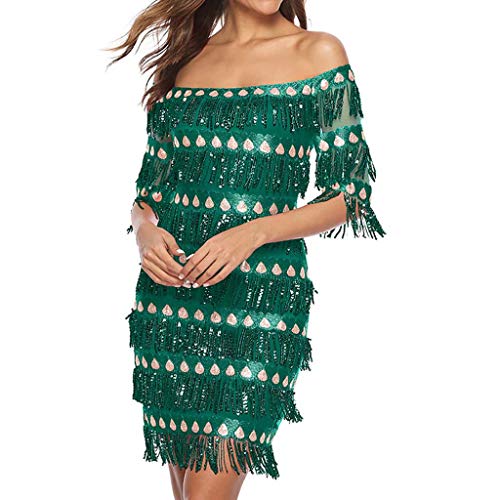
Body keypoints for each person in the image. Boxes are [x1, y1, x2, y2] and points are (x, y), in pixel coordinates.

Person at [106, 0, 385, 498]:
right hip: (170, 303)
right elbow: (149, 191)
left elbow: (351, 195)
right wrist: (144, 231)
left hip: (261, 304)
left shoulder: (320, 53)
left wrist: (253, 232)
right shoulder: (187, 59)